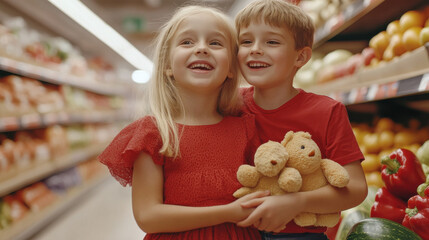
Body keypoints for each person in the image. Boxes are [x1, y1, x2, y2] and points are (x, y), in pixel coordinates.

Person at [97, 5, 268, 240]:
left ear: (231, 67)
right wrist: (228, 213)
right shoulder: (154, 133)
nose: (201, 48)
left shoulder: (246, 128)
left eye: (215, 43)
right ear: (167, 66)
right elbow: (147, 215)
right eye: (187, 42)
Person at [233, 0, 368, 239]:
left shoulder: (327, 111)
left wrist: (296, 202)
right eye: (246, 41)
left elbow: (356, 189)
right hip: (237, 232)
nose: (255, 49)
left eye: (271, 42)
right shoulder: (229, 107)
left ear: (301, 57)